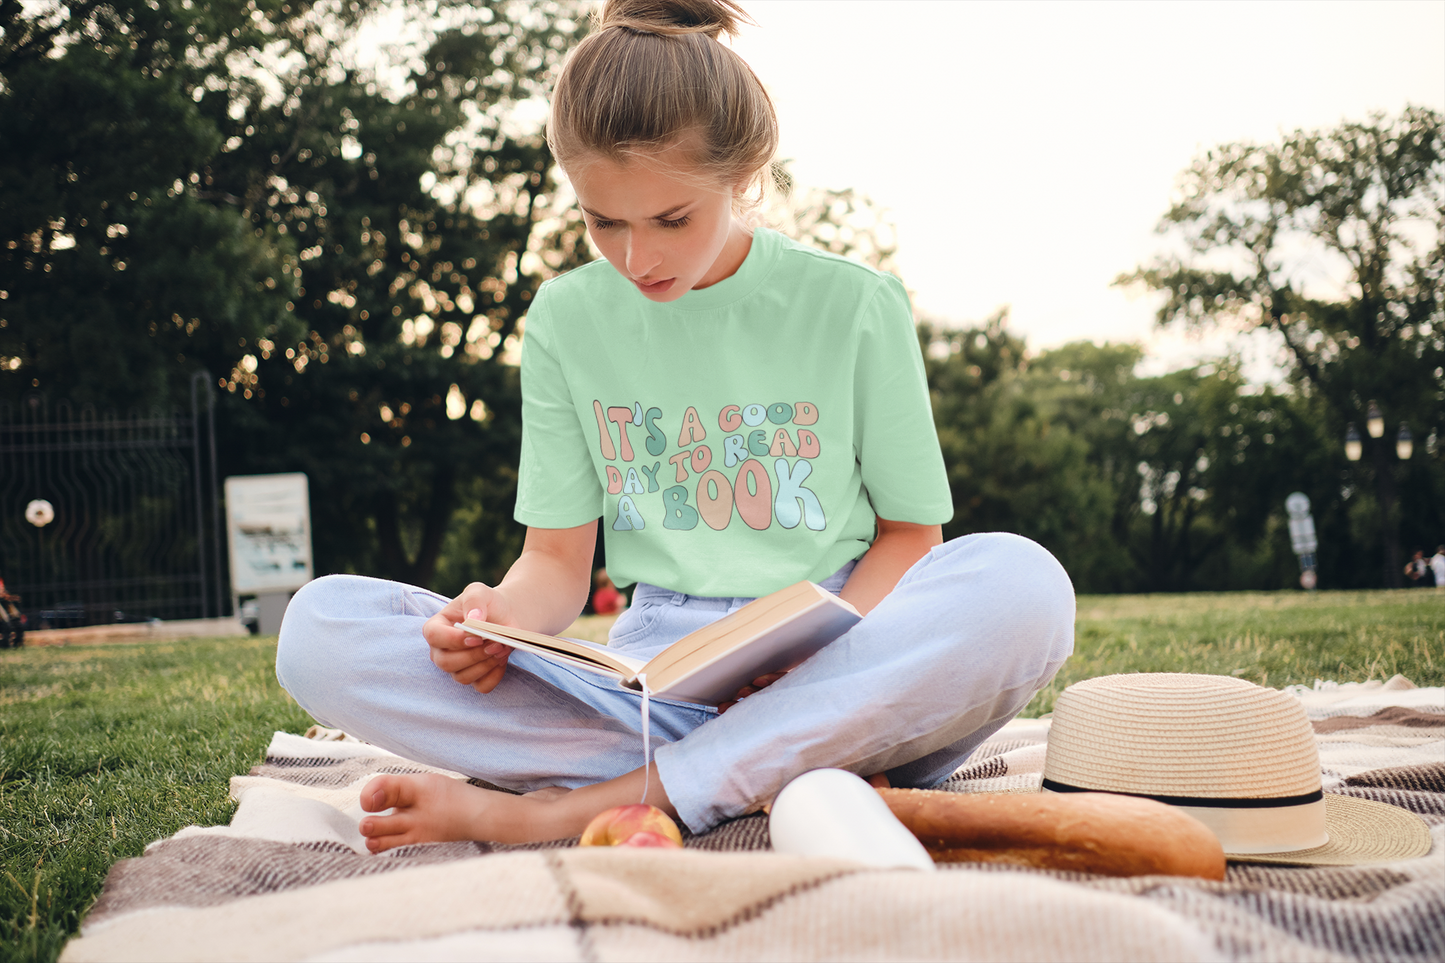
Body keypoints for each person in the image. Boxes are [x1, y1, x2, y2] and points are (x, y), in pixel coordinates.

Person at [275, 0, 1074, 851]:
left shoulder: (852, 304)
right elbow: (553, 564)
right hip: (651, 690)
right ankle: (780, 768)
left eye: (670, 220)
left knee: (1023, 584)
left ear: (744, 175)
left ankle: (560, 808)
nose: (635, 257)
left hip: (843, 655)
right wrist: (492, 622)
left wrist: (818, 655)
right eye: (602, 221)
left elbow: (913, 535)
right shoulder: (564, 320)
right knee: (319, 629)